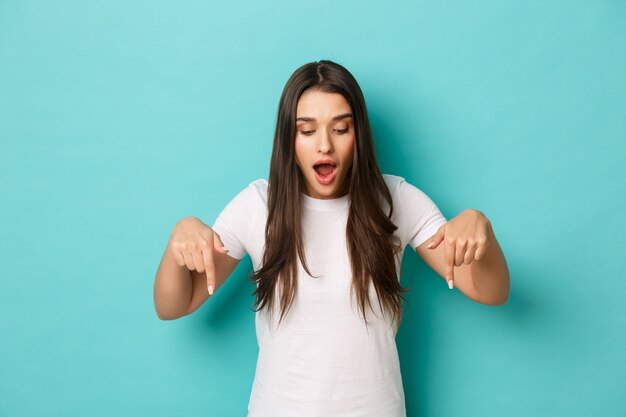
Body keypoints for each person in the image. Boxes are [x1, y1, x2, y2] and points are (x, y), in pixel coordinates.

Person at [153, 60, 510, 417]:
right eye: (306, 131)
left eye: (340, 128)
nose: (324, 145)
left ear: (359, 135)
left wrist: (481, 229)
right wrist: (177, 239)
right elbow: (172, 305)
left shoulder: (397, 200)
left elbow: (491, 291)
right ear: (288, 139)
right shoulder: (258, 205)